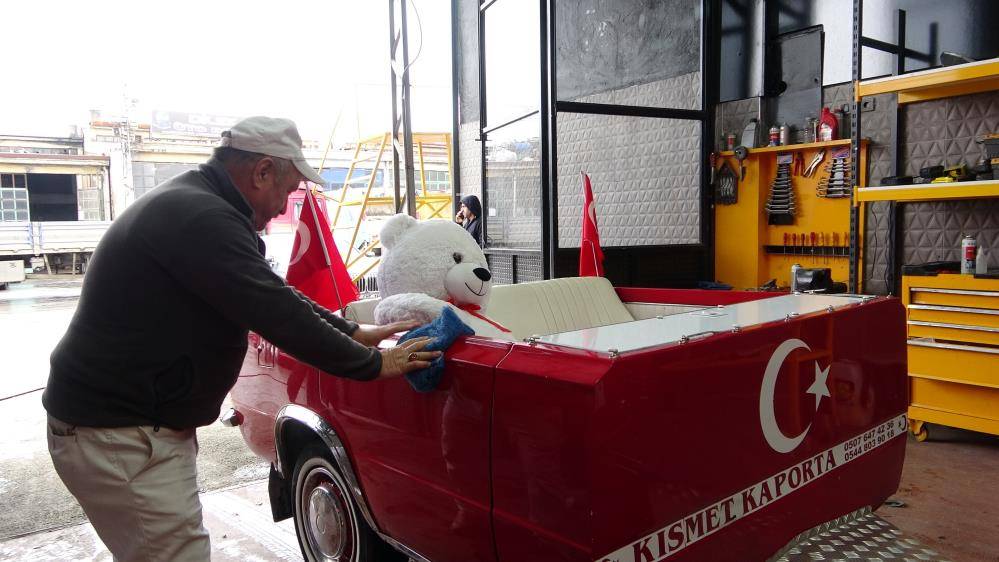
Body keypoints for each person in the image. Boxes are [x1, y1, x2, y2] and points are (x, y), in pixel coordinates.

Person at [42, 116, 439, 561]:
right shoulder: (202, 218)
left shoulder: (198, 204)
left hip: (127, 426)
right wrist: (375, 364)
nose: (281, 206)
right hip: (120, 433)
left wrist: (351, 330)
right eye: (285, 191)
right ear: (262, 171)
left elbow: (272, 292)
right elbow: (274, 311)